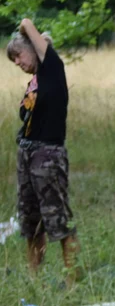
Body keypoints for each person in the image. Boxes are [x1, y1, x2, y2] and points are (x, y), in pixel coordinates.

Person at [7, 18, 79, 276]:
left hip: (48, 155)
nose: (18, 63)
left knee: (58, 220)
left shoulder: (52, 68)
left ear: (34, 48)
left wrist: (25, 31)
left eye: (18, 55)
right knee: (30, 222)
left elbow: (26, 23)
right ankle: (34, 279)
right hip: (27, 154)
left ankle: (74, 280)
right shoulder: (36, 80)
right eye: (13, 60)